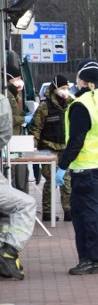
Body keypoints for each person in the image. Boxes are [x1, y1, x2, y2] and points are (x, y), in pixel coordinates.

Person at [56, 60, 98, 276]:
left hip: (85, 165)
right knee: (86, 211)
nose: (74, 82)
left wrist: (62, 166)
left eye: (77, 78)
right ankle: (90, 258)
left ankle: (92, 260)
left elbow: (76, 140)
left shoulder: (80, 105)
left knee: (86, 213)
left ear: (84, 80)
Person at [0, 86, 36, 281]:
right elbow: (4, 134)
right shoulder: (2, 101)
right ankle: (9, 251)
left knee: (6, 210)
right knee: (25, 204)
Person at [29, 74, 73, 222]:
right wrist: (33, 146)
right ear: (55, 89)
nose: (65, 91)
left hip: (65, 147)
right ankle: (48, 212)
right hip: (48, 148)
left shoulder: (71, 104)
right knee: (51, 180)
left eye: (67, 88)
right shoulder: (45, 106)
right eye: (62, 88)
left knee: (66, 180)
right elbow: (36, 128)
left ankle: (69, 210)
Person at [5, 63, 28, 192]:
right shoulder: (6, 94)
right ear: (9, 79)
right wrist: (24, 119)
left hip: (13, 139)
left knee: (11, 173)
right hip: (8, 139)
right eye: (17, 78)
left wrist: (23, 114)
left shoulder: (13, 93)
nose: (19, 81)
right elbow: (7, 119)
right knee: (8, 174)